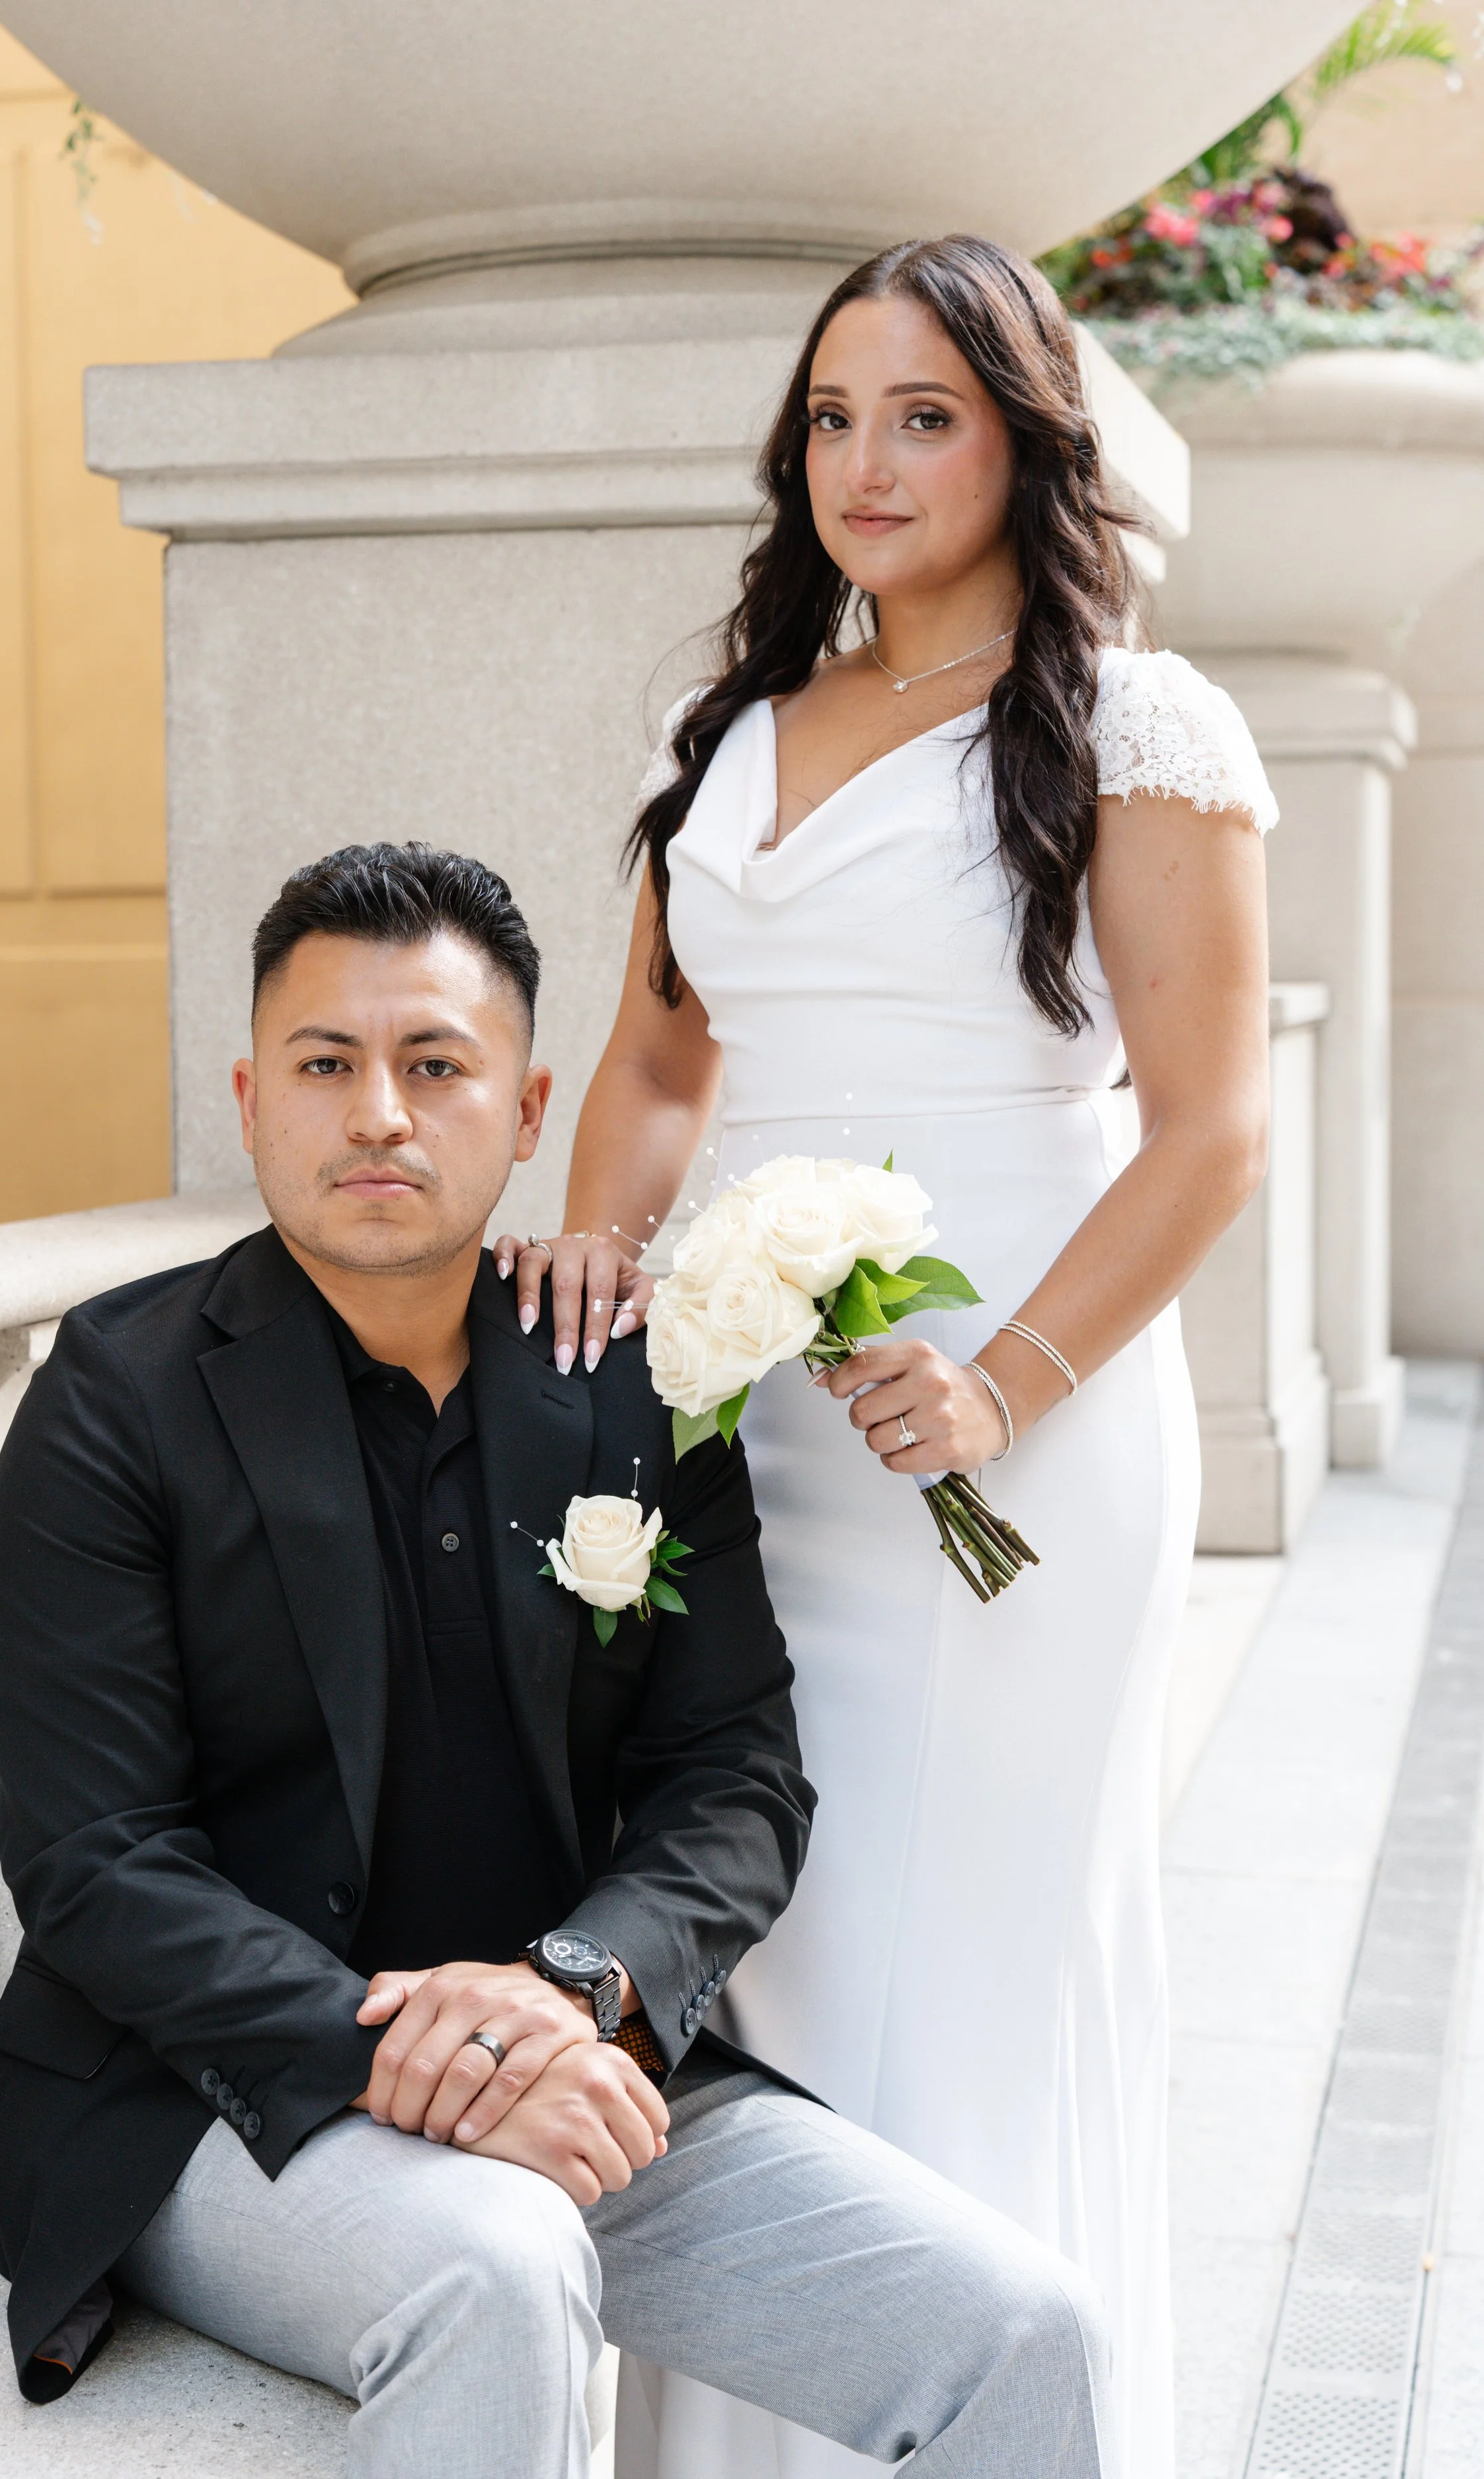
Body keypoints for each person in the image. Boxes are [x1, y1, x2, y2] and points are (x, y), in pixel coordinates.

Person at [0, 840, 1110, 2478]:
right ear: (249, 1098)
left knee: (1021, 2330)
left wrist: (573, 1989)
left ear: (525, 1111)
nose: (379, 1114)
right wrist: (396, 2046)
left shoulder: (631, 1389)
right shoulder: (118, 1394)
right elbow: (95, 1862)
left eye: (435, 1066)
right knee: (496, 2270)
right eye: (324, 1064)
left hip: (565, 2059)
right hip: (209, 2096)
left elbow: (734, 1777)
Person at [495, 236, 1275, 2479]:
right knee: (770, 1939)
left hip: (1012, 1430)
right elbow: (660, 1059)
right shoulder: (731, 727)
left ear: (1025, 441)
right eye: (832, 417)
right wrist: (601, 1253)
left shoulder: (1135, 724)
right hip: (758, 1425)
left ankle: (989, 2415)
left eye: (924, 415)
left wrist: (1004, 1381)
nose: (867, 461)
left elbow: (1211, 1129)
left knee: (964, 1963)